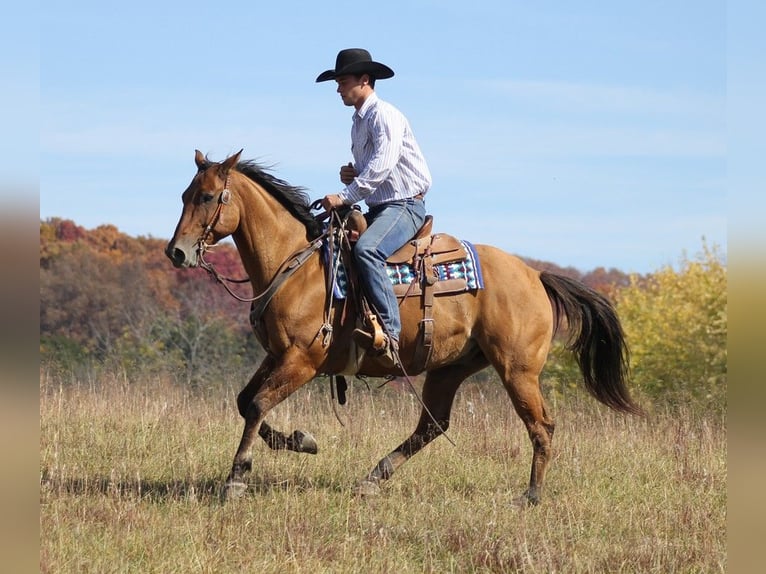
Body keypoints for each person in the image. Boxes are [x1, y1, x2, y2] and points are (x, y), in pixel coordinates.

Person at [317, 48, 431, 367]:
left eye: (343, 81)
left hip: (405, 206)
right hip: (381, 206)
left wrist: (345, 194)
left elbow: (382, 165)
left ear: (364, 80)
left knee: (367, 250)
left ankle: (391, 336)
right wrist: (353, 172)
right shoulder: (358, 123)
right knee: (335, 244)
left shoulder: (385, 116)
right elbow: (374, 168)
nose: (338, 88)